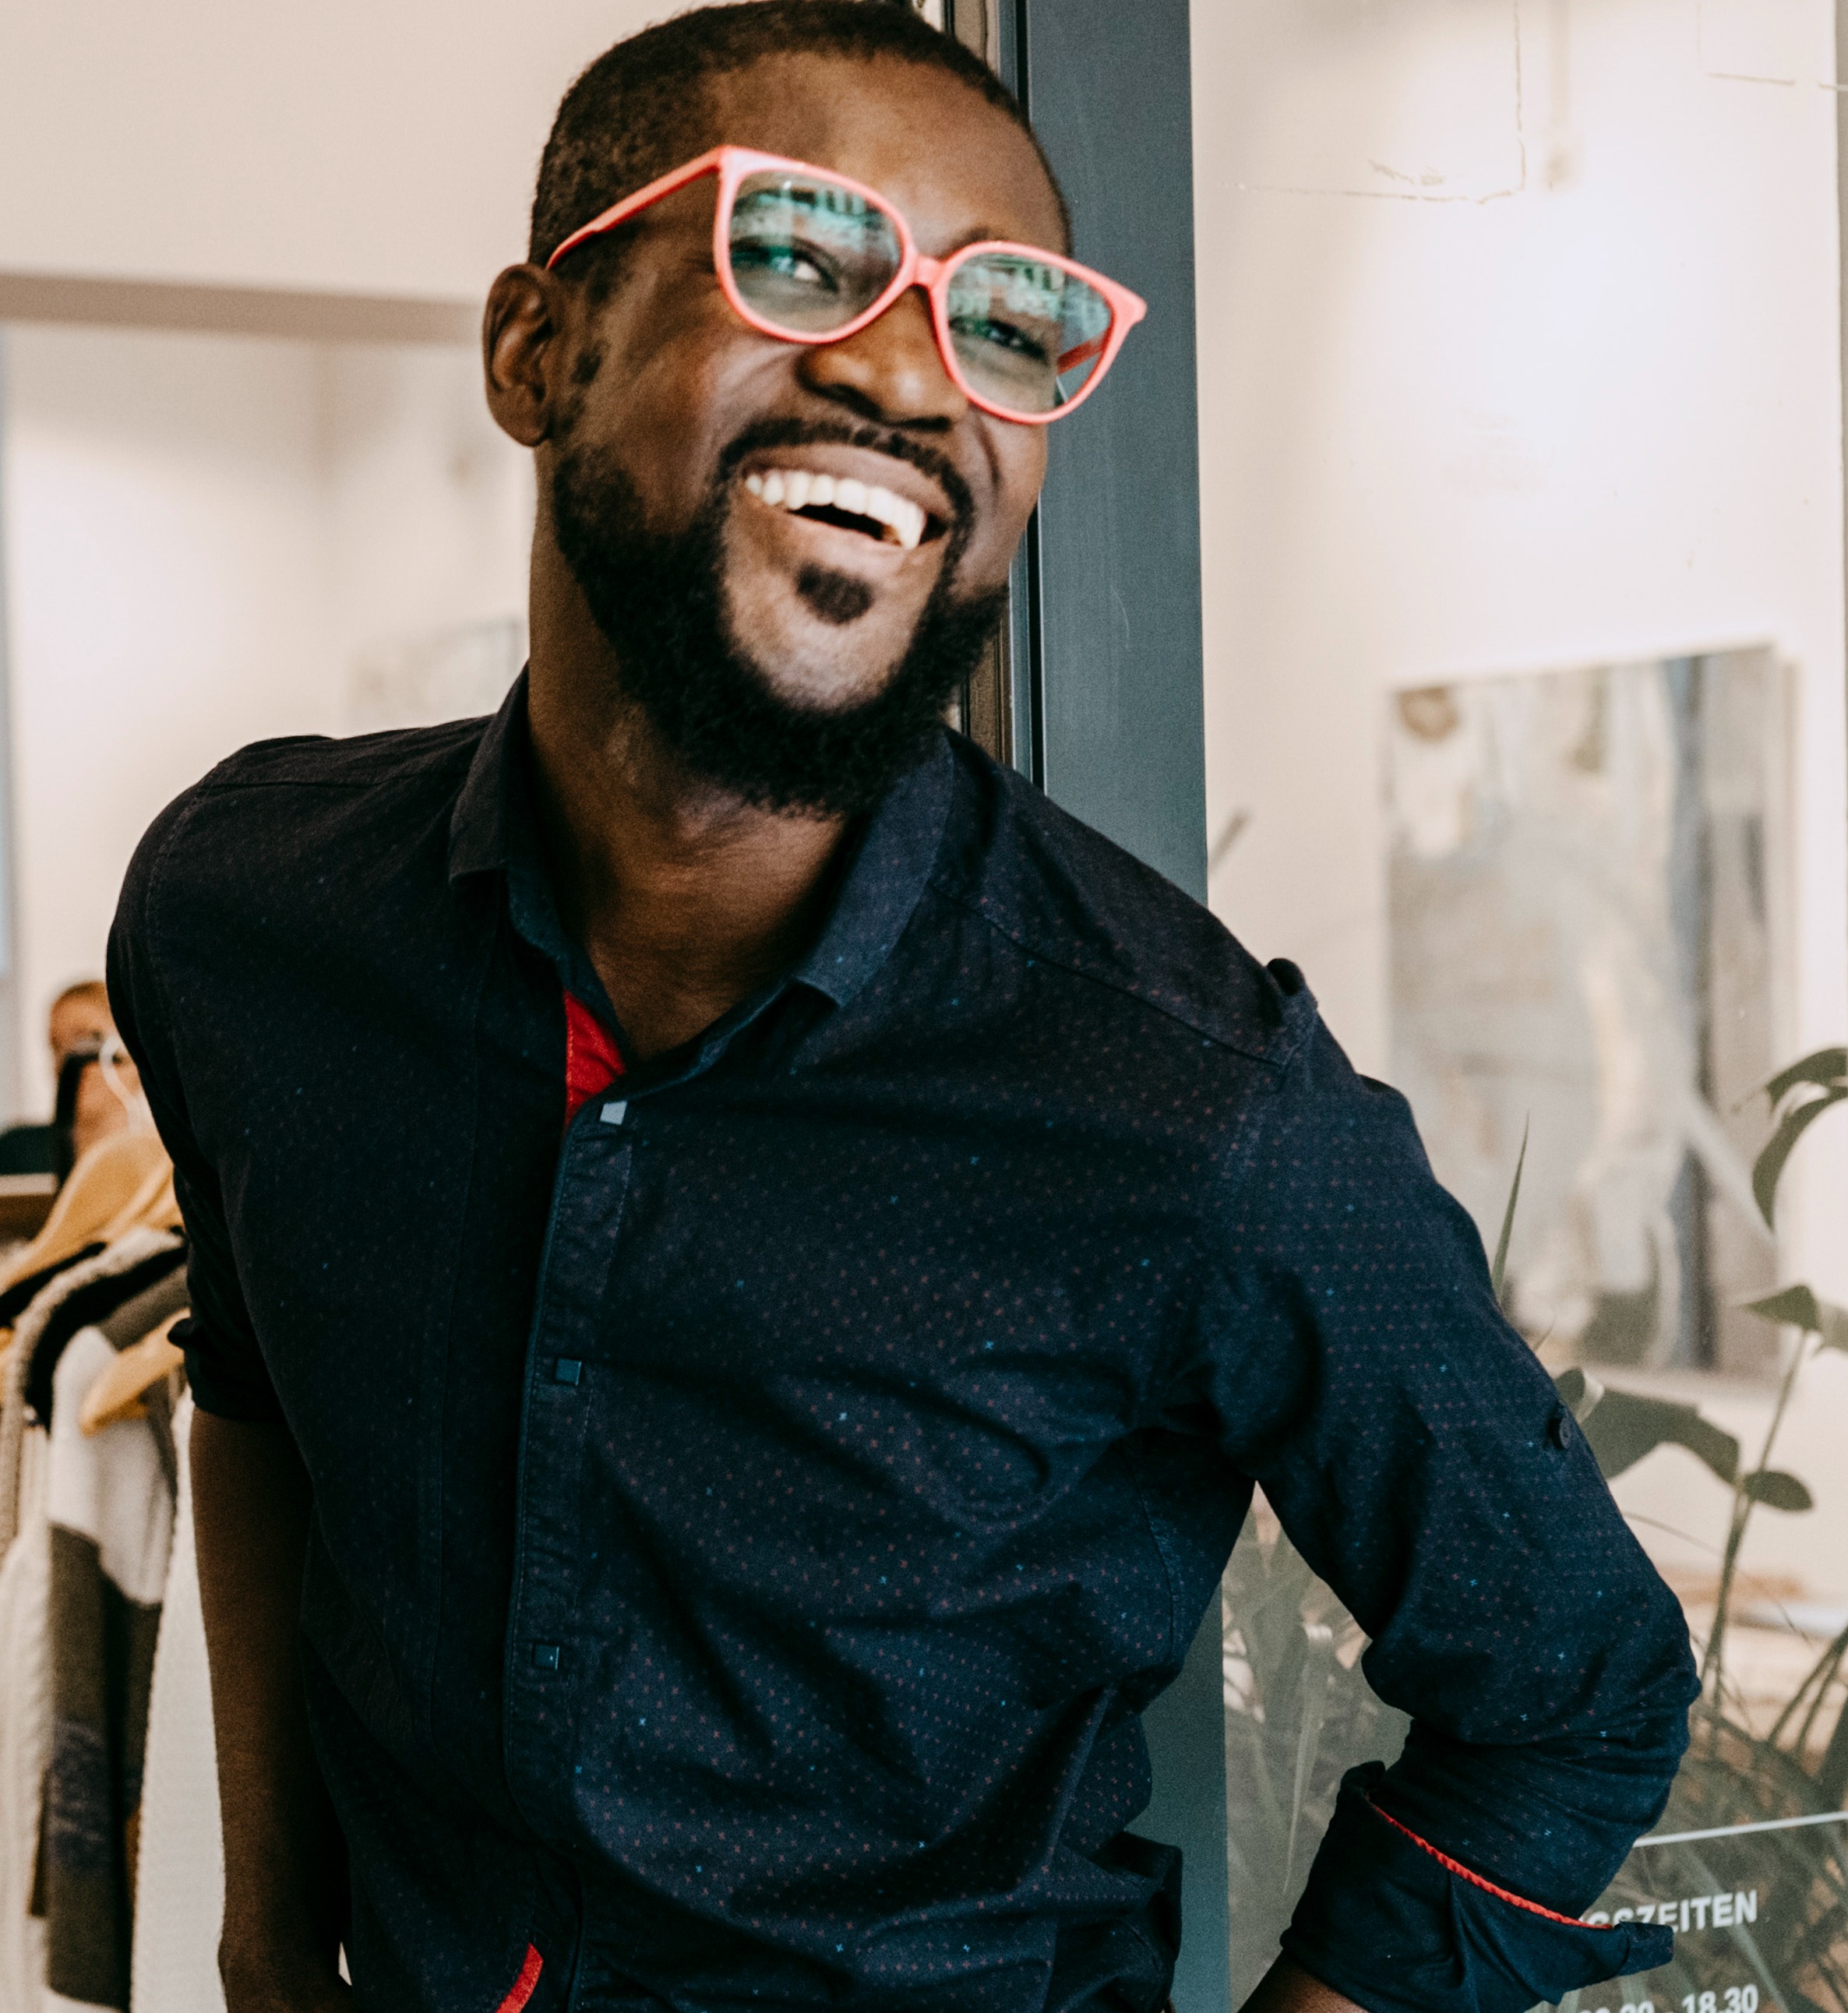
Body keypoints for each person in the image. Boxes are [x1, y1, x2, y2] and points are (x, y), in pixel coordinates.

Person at [105, 9, 1698, 2011]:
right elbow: (252, 1378)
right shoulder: (245, 912)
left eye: (1004, 326)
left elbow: (1578, 1688)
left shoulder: (1187, 1099)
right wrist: (267, 1942)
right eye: (799, 257)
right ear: (536, 350)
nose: (900, 373)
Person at [0, 980, 142, 1179]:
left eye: (87, 1039)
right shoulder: (14, 1153)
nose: (68, 1060)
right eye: (56, 1047)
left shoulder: (168, 1152)